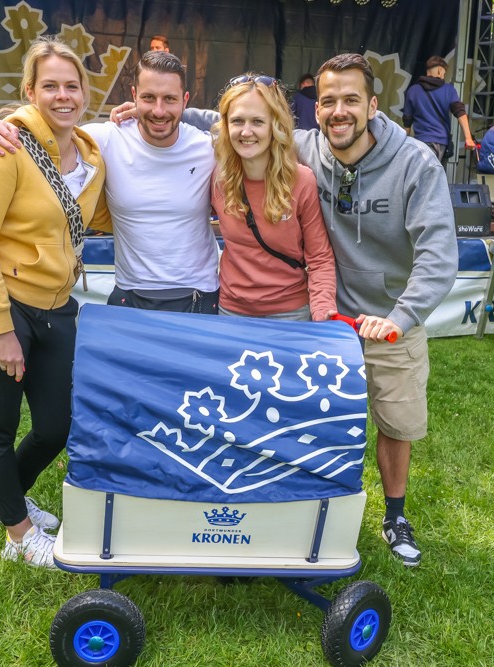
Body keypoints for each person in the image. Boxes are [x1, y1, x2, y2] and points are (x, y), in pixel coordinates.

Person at [182, 53, 457, 567]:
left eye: (351, 100)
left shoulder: (416, 162)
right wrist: (159, 111)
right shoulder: (308, 146)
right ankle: (296, 513)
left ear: (373, 106)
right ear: (315, 110)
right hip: (319, 319)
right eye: (328, 101)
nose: (339, 111)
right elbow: (237, 119)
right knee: (312, 422)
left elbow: (440, 258)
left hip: (385, 317)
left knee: (395, 422)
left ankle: (394, 514)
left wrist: (399, 318)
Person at [0, 37, 111, 568]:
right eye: (50, 86)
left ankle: (5, 499)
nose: (62, 96)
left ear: (85, 92)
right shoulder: (4, 148)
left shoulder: (90, 155)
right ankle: (19, 534)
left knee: (55, 425)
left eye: (72, 85)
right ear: (28, 91)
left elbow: (90, 219)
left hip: (58, 306)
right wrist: (0, 330)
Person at [0, 51, 220, 314]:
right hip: (130, 295)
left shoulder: (209, 147)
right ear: (134, 95)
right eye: (149, 98)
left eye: (169, 99)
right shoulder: (105, 139)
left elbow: (254, 131)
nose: (159, 110)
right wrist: (5, 125)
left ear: (185, 100)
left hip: (199, 295)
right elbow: (49, 130)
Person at [212, 74, 335, 320]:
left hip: (290, 314)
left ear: (275, 125)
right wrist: (138, 112)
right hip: (231, 312)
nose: (246, 132)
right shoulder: (218, 178)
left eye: (258, 121)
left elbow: (320, 257)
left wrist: (322, 310)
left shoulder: (301, 181)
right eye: (237, 121)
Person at [402, 55, 476, 163]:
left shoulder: (412, 91)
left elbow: (407, 122)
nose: (443, 77)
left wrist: (404, 143)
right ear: (440, 71)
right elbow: (460, 112)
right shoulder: (448, 90)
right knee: (437, 178)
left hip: (420, 142)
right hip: (441, 143)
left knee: (420, 178)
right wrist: (468, 138)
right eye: (444, 74)